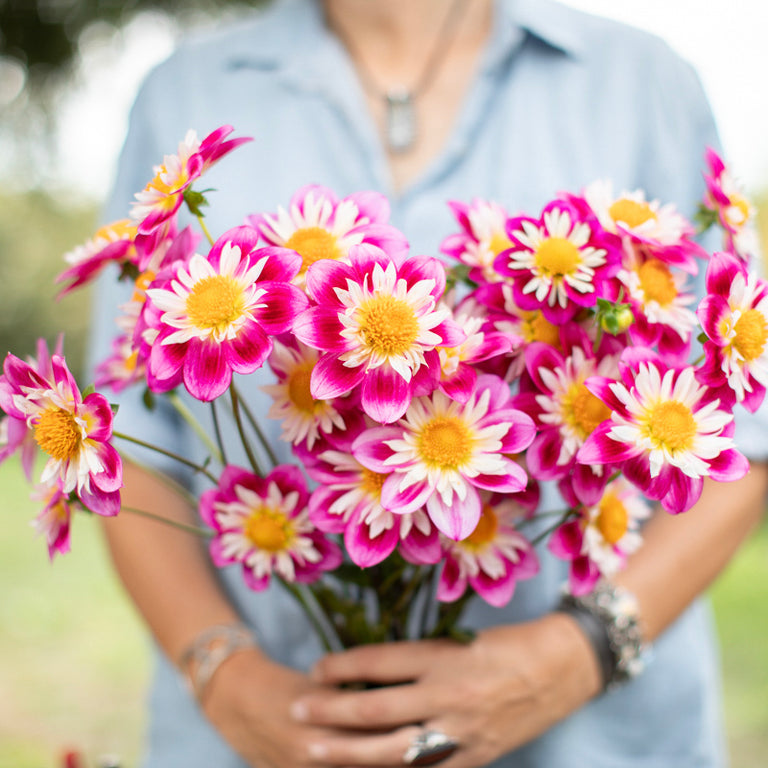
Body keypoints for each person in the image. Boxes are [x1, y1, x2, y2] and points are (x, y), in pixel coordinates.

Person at [91, 0, 768, 766]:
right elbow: (126, 442)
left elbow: (744, 435)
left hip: (593, 736)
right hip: (256, 737)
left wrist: (584, 650)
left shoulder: (646, 80)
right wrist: (221, 672)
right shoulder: (184, 93)